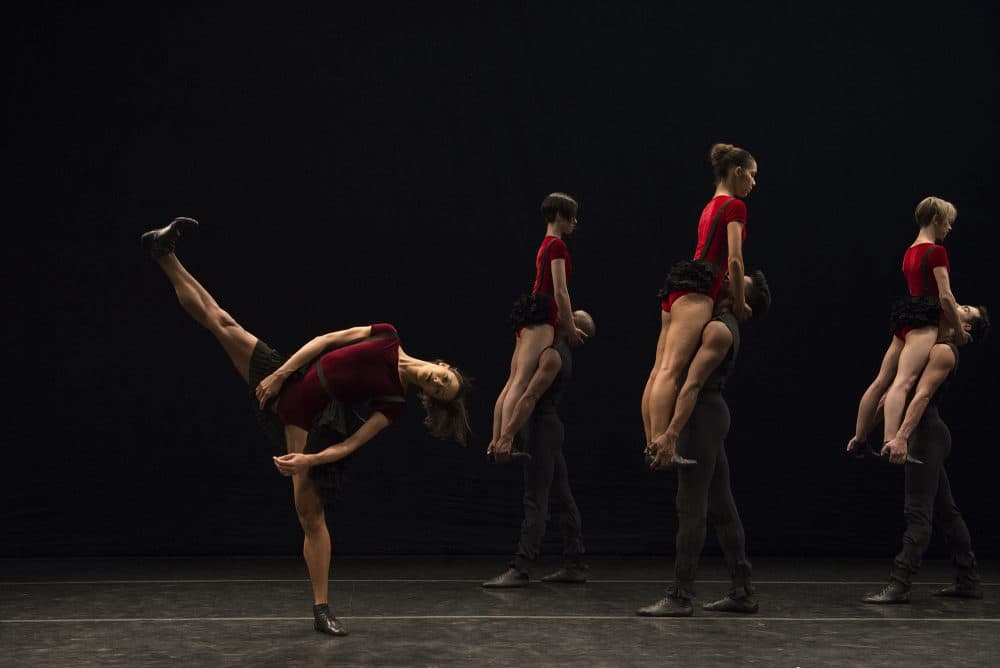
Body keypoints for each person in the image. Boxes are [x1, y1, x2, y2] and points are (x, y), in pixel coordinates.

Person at [140, 216, 470, 636]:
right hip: (288, 377)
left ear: (429, 398)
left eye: (440, 391)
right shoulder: (387, 335)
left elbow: (350, 445)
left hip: (304, 424)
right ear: (440, 365)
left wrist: (309, 458)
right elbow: (325, 341)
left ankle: (321, 609)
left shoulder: (393, 401)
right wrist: (279, 376)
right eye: (444, 378)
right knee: (222, 323)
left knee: (310, 517)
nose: (438, 383)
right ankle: (163, 252)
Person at [638, 274, 770, 617]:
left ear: (743, 298)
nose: (728, 277)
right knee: (721, 506)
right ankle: (743, 590)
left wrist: (669, 433)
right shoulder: (710, 319)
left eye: (739, 279)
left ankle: (680, 595)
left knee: (690, 505)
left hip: (701, 418)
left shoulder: (719, 330)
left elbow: (692, 385)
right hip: (703, 417)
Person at [849, 304, 989, 604]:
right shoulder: (924, 345)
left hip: (926, 437)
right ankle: (968, 579)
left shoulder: (944, 352)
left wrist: (900, 437)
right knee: (946, 511)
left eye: (965, 310)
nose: (957, 306)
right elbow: (889, 396)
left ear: (966, 329)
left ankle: (900, 583)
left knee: (917, 512)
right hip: (923, 436)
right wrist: (862, 435)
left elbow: (921, 396)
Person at [644, 144, 756, 466]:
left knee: (659, 369)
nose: (753, 183)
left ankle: (651, 442)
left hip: (679, 283)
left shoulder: (710, 206)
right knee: (672, 370)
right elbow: (734, 260)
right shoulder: (734, 206)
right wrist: (740, 302)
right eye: (751, 175)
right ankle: (660, 445)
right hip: (699, 287)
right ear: (737, 171)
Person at [482, 311, 596, 588]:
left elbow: (529, 396)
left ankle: (521, 567)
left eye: (570, 318)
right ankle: (575, 563)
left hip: (542, 430)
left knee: (536, 499)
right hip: (543, 428)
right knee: (562, 497)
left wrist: (506, 435)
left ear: (574, 331)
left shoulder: (553, 355)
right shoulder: (550, 349)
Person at [851, 197, 969, 452]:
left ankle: (859, 439)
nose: (949, 228)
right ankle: (889, 441)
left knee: (880, 380)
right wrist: (959, 329)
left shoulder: (909, 252)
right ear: (936, 219)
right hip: (924, 320)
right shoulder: (936, 252)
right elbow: (945, 296)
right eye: (947, 222)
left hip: (905, 315)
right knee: (904, 381)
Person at [492, 194, 587, 453]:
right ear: (559, 215)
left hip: (530, 314)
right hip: (541, 317)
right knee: (521, 381)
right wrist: (568, 326)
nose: (575, 222)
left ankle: (495, 441)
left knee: (513, 380)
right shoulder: (557, 246)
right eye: (572, 216)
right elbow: (560, 292)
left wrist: (565, 322)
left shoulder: (544, 245)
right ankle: (504, 442)